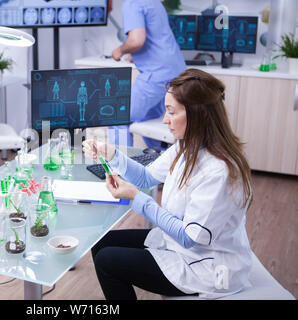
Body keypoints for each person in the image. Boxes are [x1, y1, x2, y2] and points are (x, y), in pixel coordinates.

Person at [82, 68, 254, 299]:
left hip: (208, 267)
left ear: (199, 114)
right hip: (180, 245)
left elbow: (190, 237)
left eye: (172, 112)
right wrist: (111, 154)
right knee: (101, 243)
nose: (165, 119)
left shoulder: (218, 170)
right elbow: (145, 177)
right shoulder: (187, 146)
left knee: (107, 261)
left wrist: (136, 197)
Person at [109, 0, 186, 148]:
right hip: (175, 72)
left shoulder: (132, 4)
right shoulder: (153, 2)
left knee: (117, 117)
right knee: (149, 119)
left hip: (156, 74)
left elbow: (136, 40)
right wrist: (134, 54)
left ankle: (119, 168)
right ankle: (161, 164)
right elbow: (156, 36)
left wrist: (119, 51)